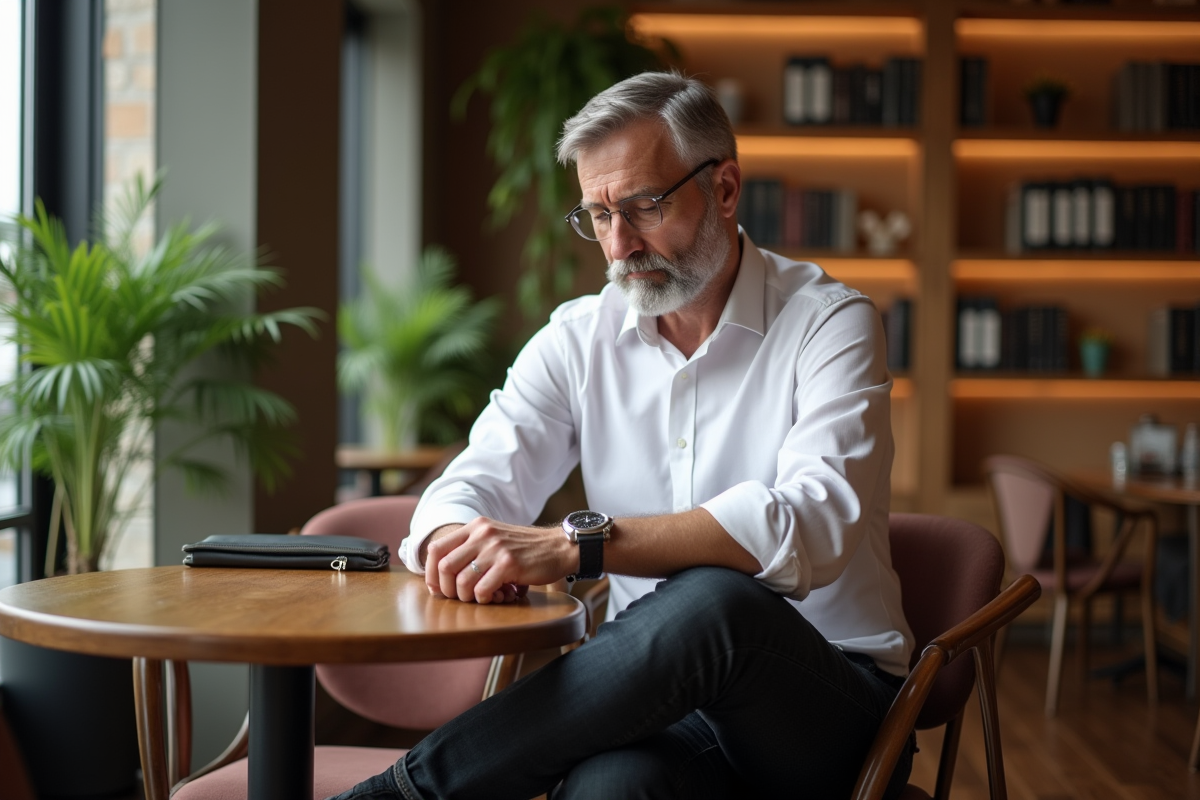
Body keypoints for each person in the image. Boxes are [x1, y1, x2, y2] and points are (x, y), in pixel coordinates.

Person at [332, 71, 914, 800]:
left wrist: (578, 545)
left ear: (725, 189)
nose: (619, 245)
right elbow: (463, 489)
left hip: (828, 708)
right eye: (597, 216)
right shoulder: (579, 338)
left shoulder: (830, 323)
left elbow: (815, 523)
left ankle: (397, 796)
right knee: (608, 785)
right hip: (661, 701)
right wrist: (460, 543)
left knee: (716, 601)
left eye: (642, 206)